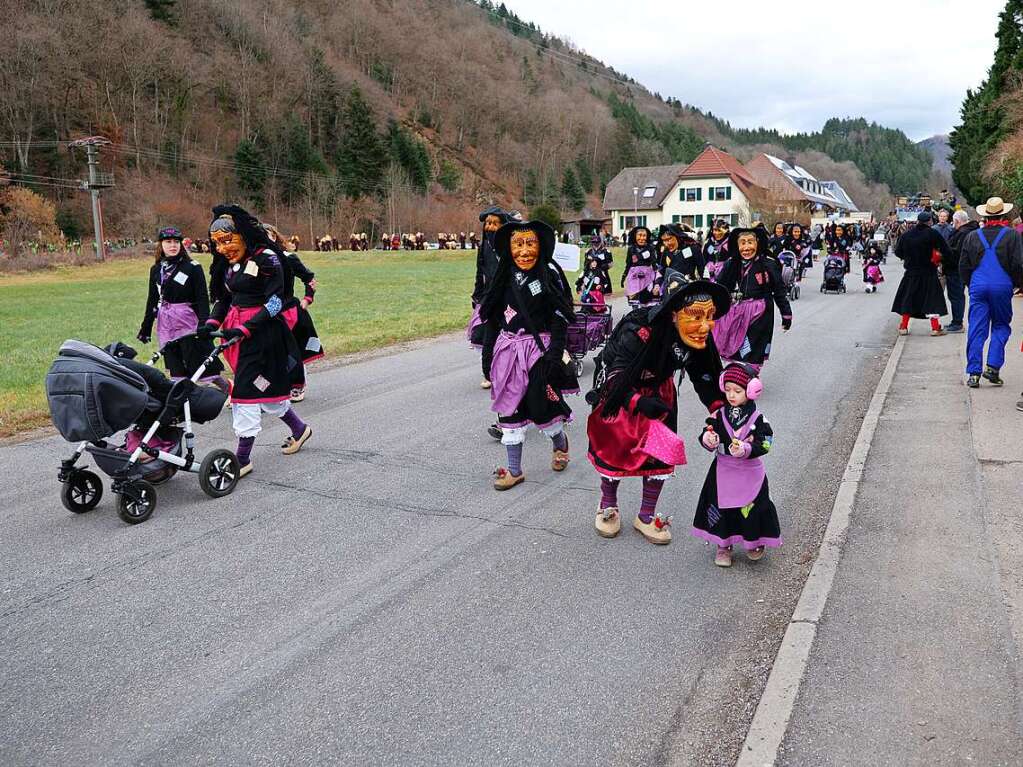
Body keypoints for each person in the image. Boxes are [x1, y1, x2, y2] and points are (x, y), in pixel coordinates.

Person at [586, 272, 728, 544]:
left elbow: (706, 374)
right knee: (614, 452)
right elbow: (615, 375)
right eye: (696, 316)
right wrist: (638, 402)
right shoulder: (639, 331)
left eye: (709, 316)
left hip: (660, 394)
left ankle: (646, 516)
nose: (705, 326)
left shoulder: (698, 338)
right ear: (674, 314)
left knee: (661, 453)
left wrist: (718, 409)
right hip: (621, 393)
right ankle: (608, 505)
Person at [199, 205, 312, 477]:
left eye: (228, 241)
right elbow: (225, 299)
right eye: (217, 244)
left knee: (244, 395)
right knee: (263, 389)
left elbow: (275, 303)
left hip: (264, 335)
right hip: (238, 333)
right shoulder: (228, 265)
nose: (223, 249)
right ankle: (299, 429)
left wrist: (247, 328)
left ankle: (242, 458)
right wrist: (212, 323)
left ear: (244, 234)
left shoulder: (268, 259)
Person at [479, 220, 579, 490]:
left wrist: (555, 355)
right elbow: (492, 321)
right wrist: (487, 357)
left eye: (530, 243)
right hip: (507, 352)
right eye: (518, 244)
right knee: (509, 407)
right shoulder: (502, 277)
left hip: (539, 352)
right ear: (508, 249)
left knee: (540, 405)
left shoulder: (548, 275)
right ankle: (514, 470)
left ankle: (559, 441)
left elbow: (559, 317)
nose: (524, 251)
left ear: (541, 245)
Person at [691, 362, 780, 567]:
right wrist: (708, 439)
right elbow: (707, 431)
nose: (731, 395)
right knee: (722, 508)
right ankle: (724, 545)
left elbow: (766, 443)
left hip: (750, 473)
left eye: (738, 391)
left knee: (753, 507)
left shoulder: (759, 419)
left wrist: (747, 450)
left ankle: (754, 541)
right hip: (723, 469)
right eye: (728, 389)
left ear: (751, 390)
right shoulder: (719, 415)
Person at [137, 226, 228, 392]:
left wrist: (204, 324)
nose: (173, 245)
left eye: (176, 242)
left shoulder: (192, 267)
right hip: (166, 321)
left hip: (187, 320)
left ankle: (231, 390)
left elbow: (202, 299)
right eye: (168, 242)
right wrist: (146, 327)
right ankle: (183, 402)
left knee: (199, 363)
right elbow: (152, 299)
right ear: (161, 245)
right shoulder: (156, 269)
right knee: (175, 364)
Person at [959, 197, 1023, 388]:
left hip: (978, 285)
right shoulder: (1012, 236)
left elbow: (963, 265)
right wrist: (1016, 284)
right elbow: (1018, 264)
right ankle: (993, 367)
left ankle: (974, 374)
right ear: (1004, 213)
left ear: (985, 216)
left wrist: (971, 285)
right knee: (1001, 325)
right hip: (1002, 285)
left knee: (977, 328)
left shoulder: (972, 236)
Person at [712, 227, 792, 371]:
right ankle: (737, 377)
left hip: (761, 312)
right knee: (736, 343)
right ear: (737, 246)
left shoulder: (769, 264)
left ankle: (749, 376)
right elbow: (720, 288)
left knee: (753, 347)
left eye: (750, 242)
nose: (747, 247)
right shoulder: (732, 264)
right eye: (742, 243)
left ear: (757, 243)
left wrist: (786, 315)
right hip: (738, 311)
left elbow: (779, 291)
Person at [263, 224, 324, 403]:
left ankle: (298, 385)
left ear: (275, 237)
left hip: (289, 311)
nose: (266, 239)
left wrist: (307, 299)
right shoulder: (256, 261)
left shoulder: (288, 258)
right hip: (266, 312)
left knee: (294, 349)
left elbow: (309, 279)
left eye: (269, 235)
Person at [469, 206, 512, 389]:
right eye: (488, 223)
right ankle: (488, 373)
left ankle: (511, 371)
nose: (490, 227)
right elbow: (480, 271)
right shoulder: (483, 246)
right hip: (490, 299)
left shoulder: (510, 244)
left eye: (495, 223)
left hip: (509, 298)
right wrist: (477, 294)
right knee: (489, 335)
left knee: (511, 335)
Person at [891, 211, 951, 337]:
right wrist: (940, 260)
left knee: (909, 298)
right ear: (929, 221)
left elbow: (897, 252)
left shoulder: (907, 235)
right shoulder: (933, 234)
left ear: (918, 221)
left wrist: (907, 258)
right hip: (929, 271)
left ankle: (903, 326)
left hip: (911, 272)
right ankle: (935, 328)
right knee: (932, 300)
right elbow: (946, 250)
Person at [944, 210, 977, 333]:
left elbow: (957, 253)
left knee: (956, 296)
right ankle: (956, 321)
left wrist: (943, 253)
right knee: (957, 296)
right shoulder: (971, 231)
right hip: (965, 269)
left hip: (956, 269)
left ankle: (957, 323)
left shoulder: (963, 233)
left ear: (957, 221)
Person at [621, 226, 659, 304]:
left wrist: (657, 279)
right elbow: (628, 264)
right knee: (633, 298)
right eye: (639, 235)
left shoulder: (650, 248)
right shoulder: (631, 249)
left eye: (644, 235)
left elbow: (654, 263)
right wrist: (624, 276)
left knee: (645, 298)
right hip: (634, 276)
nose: (642, 238)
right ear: (635, 236)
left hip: (646, 275)